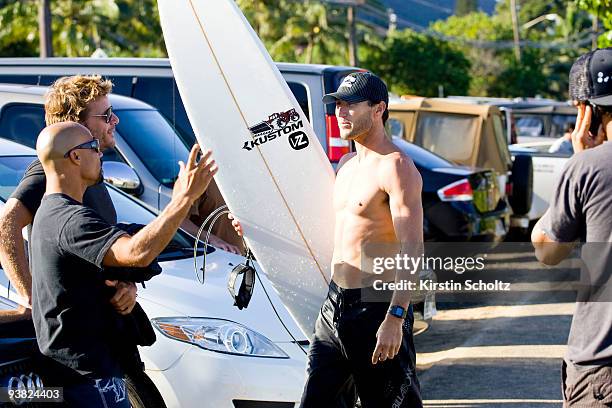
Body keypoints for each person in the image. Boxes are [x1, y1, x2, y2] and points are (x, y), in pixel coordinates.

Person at [232, 72, 423, 407]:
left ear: (378, 109)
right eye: (338, 104)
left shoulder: (397, 167)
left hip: (377, 306)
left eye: (350, 105)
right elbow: (332, 230)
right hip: (334, 304)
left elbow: (413, 248)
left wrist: (395, 317)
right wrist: (256, 232)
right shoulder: (347, 165)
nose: (340, 112)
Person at [32, 121, 216, 407]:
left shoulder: (55, 212)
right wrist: (183, 199)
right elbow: (135, 252)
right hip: (88, 380)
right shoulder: (70, 219)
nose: (101, 153)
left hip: (85, 374)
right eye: (93, 147)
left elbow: (122, 253)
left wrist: (126, 284)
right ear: (75, 157)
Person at [532, 48, 612, 407]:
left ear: (588, 111)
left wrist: (578, 161)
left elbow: (548, 250)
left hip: (602, 364)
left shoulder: (589, 167)